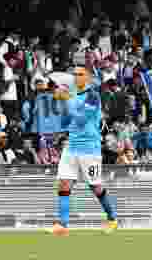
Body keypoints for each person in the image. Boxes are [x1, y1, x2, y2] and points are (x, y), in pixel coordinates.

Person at [51, 66, 118, 235]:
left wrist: (66, 99)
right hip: (72, 145)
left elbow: (81, 120)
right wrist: (61, 101)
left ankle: (112, 219)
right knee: (64, 183)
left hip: (89, 148)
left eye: (80, 74)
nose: (76, 77)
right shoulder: (73, 95)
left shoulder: (93, 96)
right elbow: (66, 120)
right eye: (74, 74)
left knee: (95, 186)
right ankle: (63, 225)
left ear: (87, 78)